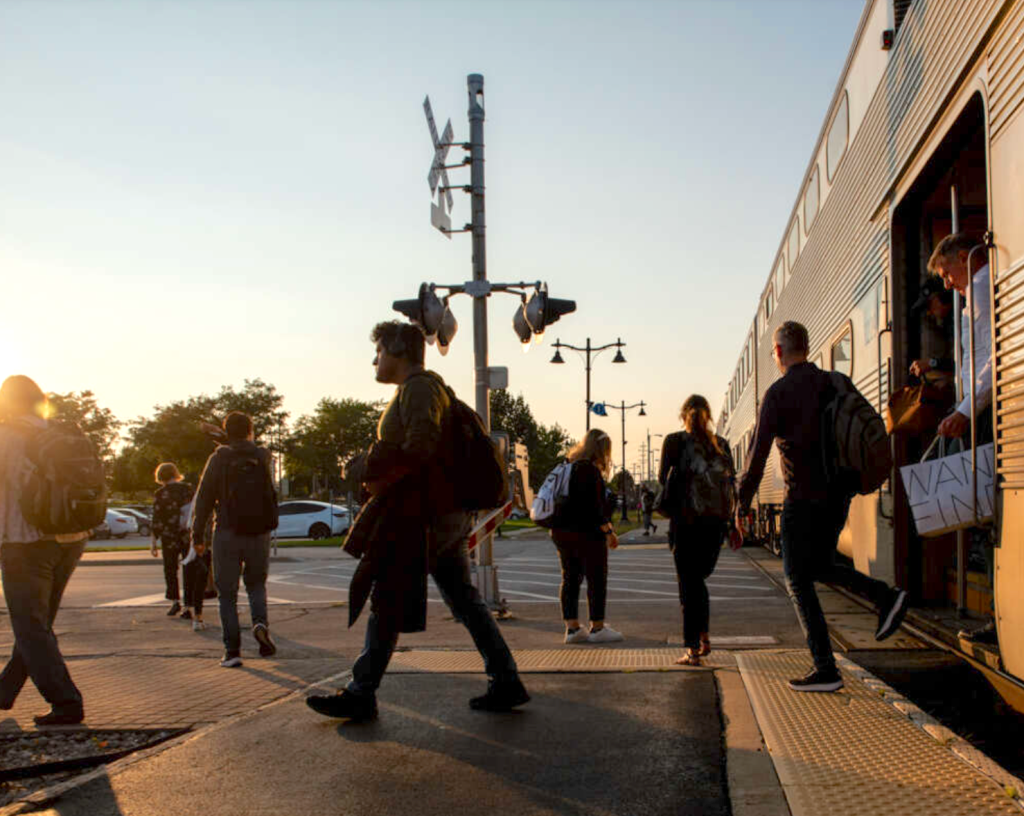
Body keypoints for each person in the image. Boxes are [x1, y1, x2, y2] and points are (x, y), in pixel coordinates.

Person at [306, 321, 528, 721]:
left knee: (388, 599)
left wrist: (374, 469)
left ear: (397, 351)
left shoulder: (420, 389)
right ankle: (506, 680)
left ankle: (362, 692)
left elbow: (420, 447)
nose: (374, 360)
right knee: (461, 600)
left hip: (422, 515)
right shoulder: (423, 389)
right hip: (436, 513)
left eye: (378, 351)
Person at [736, 321, 909, 692]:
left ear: (779, 352)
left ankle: (826, 668)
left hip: (803, 497)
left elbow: (756, 455)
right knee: (820, 566)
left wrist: (741, 504)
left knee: (798, 578)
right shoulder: (835, 381)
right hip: (839, 495)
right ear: (806, 346)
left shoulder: (779, 392)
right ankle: (885, 599)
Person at [0, 376, 89, 725]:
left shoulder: (7, 436)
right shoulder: (59, 432)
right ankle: (5, 690)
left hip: (26, 542)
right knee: (37, 624)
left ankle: (67, 702)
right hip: (71, 537)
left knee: (31, 627)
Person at [927, 233, 996, 643]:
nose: (947, 283)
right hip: (977, 413)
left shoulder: (984, 288)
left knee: (984, 513)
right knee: (981, 512)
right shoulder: (977, 293)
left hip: (983, 416)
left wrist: (966, 411)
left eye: (946, 272)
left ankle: (999, 620)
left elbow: (992, 358)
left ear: (963, 258)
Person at [191, 411, 278, 667]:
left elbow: (204, 499)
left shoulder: (219, 458)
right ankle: (260, 623)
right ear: (251, 429)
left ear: (227, 431)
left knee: (227, 594)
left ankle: (232, 652)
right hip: (259, 531)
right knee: (256, 585)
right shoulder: (262, 455)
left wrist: (198, 535)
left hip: (227, 531)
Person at [659, 395, 740, 666]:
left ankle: (693, 649)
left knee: (689, 584)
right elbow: (730, 488)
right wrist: (732, 524)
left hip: (684, 523)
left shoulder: (673, 442)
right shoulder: (722, 445)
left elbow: (663, 479)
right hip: (715, 524)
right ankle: (703, 639)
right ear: (709, 416)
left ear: (684, 415)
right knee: (698, 581)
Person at [550, 428, 623, 644]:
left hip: (561, 530)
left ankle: (572, 629)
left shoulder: (567, 466)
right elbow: (595, 508)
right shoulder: (589, 470)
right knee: (596, 577)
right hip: (586, 533)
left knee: (570, 577)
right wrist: (609, 532)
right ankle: (597, 627)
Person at [150, 462, 193, 620]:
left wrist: (154, 541)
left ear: (160, 476)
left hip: (169, 537)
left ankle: (175, 601)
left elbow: (157, 518)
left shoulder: (160, 493)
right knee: (189, 569)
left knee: (170, 569)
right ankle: (189, 605)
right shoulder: (188, 489)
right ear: (176, 473)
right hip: (186, 535)